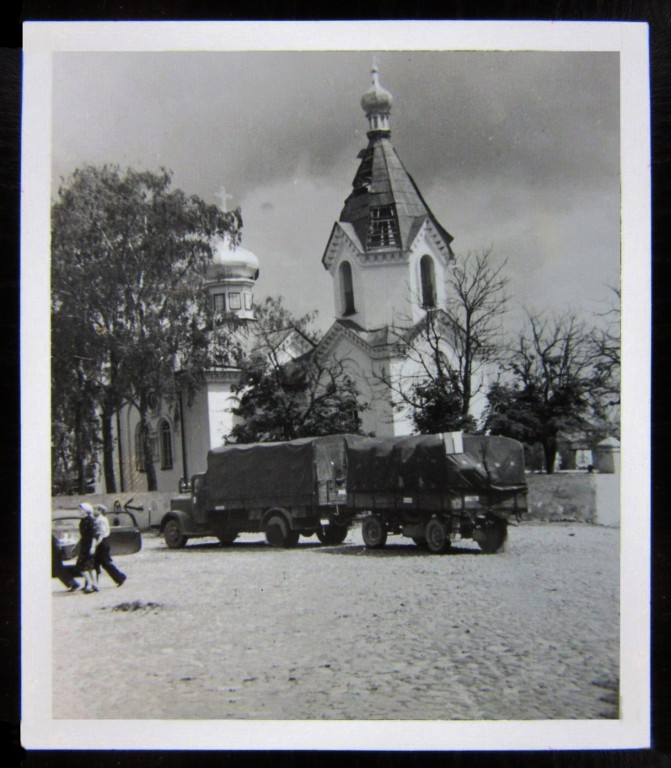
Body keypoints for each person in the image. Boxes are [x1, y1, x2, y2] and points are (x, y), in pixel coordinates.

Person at [93, 504, 127, 587]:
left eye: (95, 510)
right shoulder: (102, 519)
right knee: (98, 563)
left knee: (104, 563)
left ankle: (120, 577)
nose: (94, 511)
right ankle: (94, 582)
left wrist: (96, 545)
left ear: (100, 511)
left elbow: (101, 533)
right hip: (104, 542)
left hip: (101, 542)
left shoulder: (100, 520)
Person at [75, 502, 99, 593]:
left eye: (81, 509)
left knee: (81, 566)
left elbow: (94, 535)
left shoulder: (90, 520)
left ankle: (90, 583)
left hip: (89, 545)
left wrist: (93, 546)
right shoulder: (83, 520)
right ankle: (95, 584)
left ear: (86, 510)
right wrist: (77, 545)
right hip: (84, 545)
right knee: (90, 567)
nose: (79, 511)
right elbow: (83, 535)